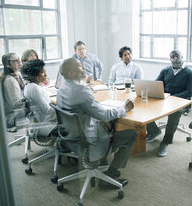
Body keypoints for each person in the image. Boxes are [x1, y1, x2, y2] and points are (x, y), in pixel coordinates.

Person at [57, 58, 137, 189]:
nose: (83, 67)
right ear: (71, 73)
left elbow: (80, 113)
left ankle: (101, 162)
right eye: (79, 66)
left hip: (70, 139)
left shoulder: (62, 88)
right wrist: (124, 109)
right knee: (132, 133)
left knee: (105, 123)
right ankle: (109, 176)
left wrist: (99, 119)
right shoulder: (81, 91)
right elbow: (105, 114)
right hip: (88, 142)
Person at [145, 50, 192, 157]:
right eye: (172, 57)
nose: (175, 58)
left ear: (182, 56)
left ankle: (165, 142)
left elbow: (190, 92)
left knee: (175, 113)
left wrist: (173, 97)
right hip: (165, 99)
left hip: (181, 102)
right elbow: (157, 84)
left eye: (177, 56)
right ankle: (154, 131)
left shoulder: (189, 73)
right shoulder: (165, 70)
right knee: (145, 106)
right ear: (170, 59)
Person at [21, 59, 57, 136]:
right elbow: (48, 111)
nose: (46, 75)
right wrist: (62, 107)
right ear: (35, 75)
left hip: (42, 118)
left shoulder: (29, 86)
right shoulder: (35, 88)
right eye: (43, 72)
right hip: (47, 122)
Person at [0, 53, 26, 128]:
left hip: (18, 112)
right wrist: (29, 98)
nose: (19, 62)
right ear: (8, 65)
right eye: (15, 61)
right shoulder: (10, 80)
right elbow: (17, 104)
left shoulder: (17, 74)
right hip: (15, 117)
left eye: (19, 59)